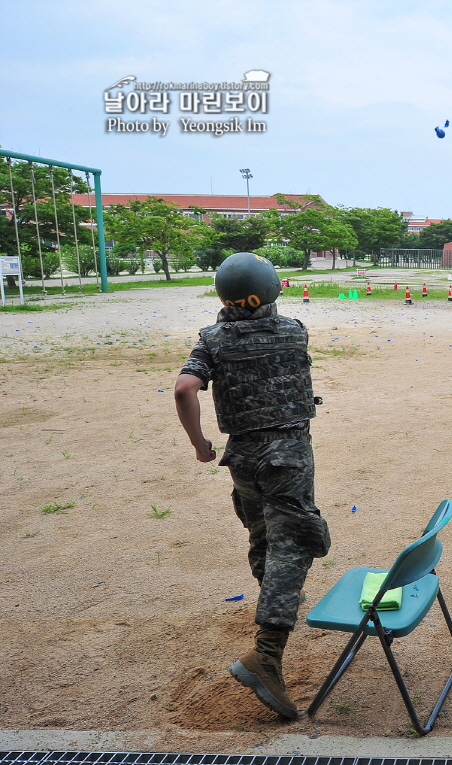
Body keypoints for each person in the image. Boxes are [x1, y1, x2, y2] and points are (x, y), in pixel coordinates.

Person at [174, 252, 330, 719]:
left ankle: (273, 596)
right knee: (297, 542)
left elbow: (184, 389)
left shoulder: (212, 340)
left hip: (242, 457)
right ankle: (266, 654)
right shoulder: (294, 330)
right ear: (271, 290)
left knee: (263, 534)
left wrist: (201, 444)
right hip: (287, 456)